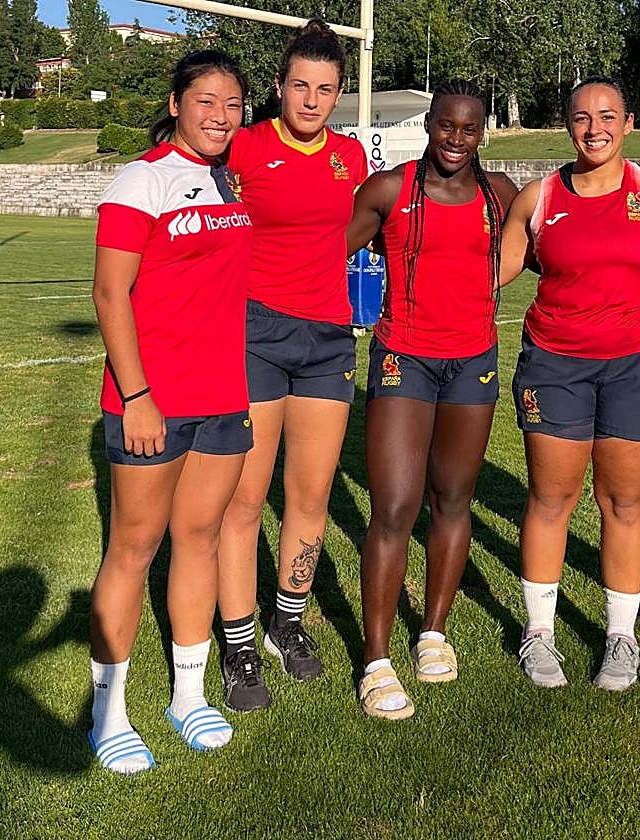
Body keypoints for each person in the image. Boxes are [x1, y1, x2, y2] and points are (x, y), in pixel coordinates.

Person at [87, 51, 252, 775]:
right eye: (206, 101)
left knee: (202, 539)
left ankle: (187, 695)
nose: (220, 115)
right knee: (132, 549)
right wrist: (136, 396)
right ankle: (107, 711)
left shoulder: (229, 178)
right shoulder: (141, 178)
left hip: (223, 396)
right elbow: (108, 294)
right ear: (177, 103)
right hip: (152, 400)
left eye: (233, 103)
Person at [498, 76, 640, 693]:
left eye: (607, 115)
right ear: (567, 125)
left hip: (635, 366)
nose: (594, 128)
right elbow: (485, 276)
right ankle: (539, 632)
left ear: (628, 121)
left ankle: (621, 637)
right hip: (554, 365)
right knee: (551, 501)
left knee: (624, 504)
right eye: (581, 117)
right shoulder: (539, 197)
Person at [345, 80, 518, 719]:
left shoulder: (499, 196)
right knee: (394, 504)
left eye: (468, 128)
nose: (455, 139)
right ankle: (376, 659)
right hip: (403, 358)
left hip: (472, 361)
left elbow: (533, 248)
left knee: (453, 498)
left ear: (482, 132)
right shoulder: (389, 190)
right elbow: (326, 251)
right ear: (429, 126)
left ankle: (434, 633)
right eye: (445, 125)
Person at [215, 19, 369, 711]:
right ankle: (240, 642)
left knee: (309, 497)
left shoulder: (349, 159)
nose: (311, 100)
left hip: (328, 340)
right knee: (245, 499)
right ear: (277, 87)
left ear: (339, 94)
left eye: (325, 89)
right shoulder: (243, 146)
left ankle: (288, 622)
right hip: (253, 334)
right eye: (300, 86)